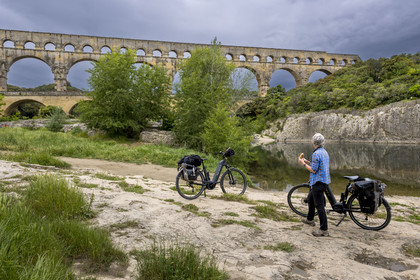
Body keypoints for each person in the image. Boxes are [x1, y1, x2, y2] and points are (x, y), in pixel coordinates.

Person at [298, 133, 331, 237]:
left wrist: (303, 164)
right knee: (310, 199)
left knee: (319, 206)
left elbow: (313, 169)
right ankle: (310, 219)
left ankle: (324, 230)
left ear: (314, 142)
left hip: (318, 182)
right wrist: (307, 161)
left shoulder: (316, 154)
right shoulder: (324, 152)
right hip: (323, 181)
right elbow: (317, 164)